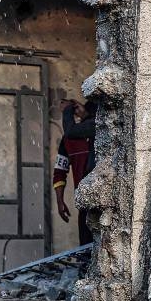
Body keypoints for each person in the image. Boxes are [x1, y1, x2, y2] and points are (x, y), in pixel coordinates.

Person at [53, 99, 98, 246]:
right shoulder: (69, 139)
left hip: (95, 201)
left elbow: (59, 171)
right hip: (86, 203)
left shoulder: (98, 129)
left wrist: (60, 201)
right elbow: (60, 170)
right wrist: (60, 201)